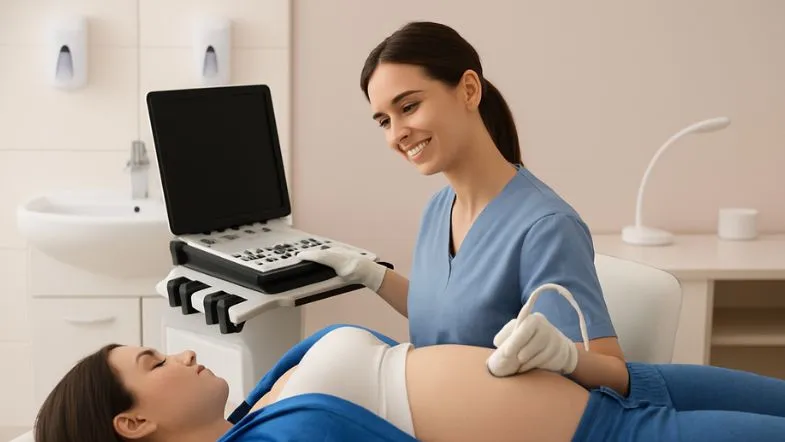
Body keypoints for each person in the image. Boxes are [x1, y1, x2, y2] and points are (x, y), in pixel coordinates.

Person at [297, 20, 629, 395]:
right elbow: (450, 315)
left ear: (469, 90)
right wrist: (372, 276)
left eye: (409, 106)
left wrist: (567, 357)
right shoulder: (439, 209)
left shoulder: (546, 227)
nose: (396, 134)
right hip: (428, 407)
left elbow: (614, 374)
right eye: (384, 122)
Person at [32, 322, 785, 442]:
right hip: (616, 434)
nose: (183, 355)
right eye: (155, 365)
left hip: (618, 383)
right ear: (131, 424)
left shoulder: (256, 409)